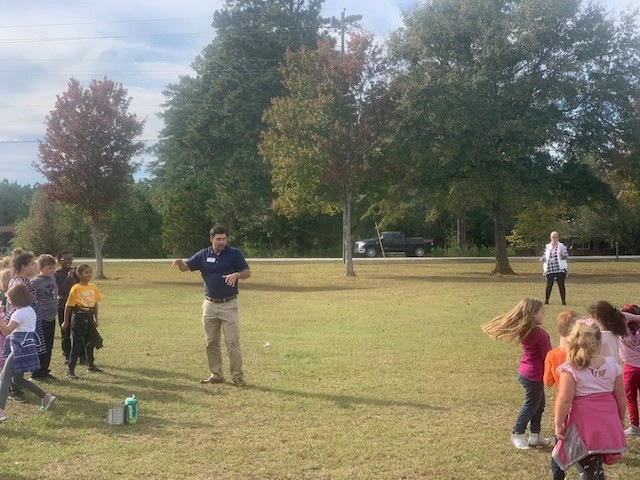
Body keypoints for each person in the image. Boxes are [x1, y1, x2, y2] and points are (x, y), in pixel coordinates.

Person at [172, 226, 251, 387]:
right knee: (211, 342)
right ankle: (216, 374)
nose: (222, 242)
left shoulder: (234, 254)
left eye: (224, 239)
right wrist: (180, 263)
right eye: (218, 239)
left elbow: (247, 272)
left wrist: (236, 274)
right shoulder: (203, 254)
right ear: (211, 239)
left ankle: (237, 376)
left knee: (232, 342)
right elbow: (186, 268)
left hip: (229, 304)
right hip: (209, 305)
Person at [552, 322, 626, 479]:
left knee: (586, 468)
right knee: (596, 468)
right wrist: (620, 419)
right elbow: (620, 396)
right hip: (608, 425)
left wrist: (558, 424)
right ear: (599, 343)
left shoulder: (571, 369)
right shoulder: (612, 365)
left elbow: (565, 400)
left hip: (584, 428)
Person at [482, 298, 552, 449]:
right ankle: (517, 433)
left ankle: (535, 436)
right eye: (542, 312)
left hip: (529, 373)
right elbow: (549, 356)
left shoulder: (527, 331)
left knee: (539, 405)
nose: (543, 315)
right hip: (533, 375)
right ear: (533, 314)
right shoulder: (539, 334)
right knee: (532, 405)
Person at [0, 283, 56, 422]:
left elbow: (6, 331)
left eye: (9, 299)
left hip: (19, 349)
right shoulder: (29, 310)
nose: (8, 301)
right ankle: (46, 397)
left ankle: (0, 410)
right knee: (17, 379)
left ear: (14, 299)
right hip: (27, 348)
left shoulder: (19, 313)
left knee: (4, 377)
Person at [2, 249, 46, 403]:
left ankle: (16, 386)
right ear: (23, 266)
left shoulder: (26, 282)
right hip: (19, 329)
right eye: (32, 264)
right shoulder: (19, 283)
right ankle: (13, 390)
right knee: (13, 362)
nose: (34, 267)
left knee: (16, 363)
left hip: (26, 325)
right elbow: (14, 308)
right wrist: (7, 323)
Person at [544, 310, 579, 480]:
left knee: (559, 447)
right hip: (581, 406)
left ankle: (558, 476)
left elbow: (548, 381)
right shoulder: (583, 354)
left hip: (561, 406)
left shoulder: (552, 355)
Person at [62, 264, 102, 379]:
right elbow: (68, 306)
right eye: (86, 273)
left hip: (89, 316)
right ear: (79, 275)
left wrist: (96, 319)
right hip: (78, 316)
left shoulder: (93, 287)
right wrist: (65, 321)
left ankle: (91, 365)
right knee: (77, 344)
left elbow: (95, 304)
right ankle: (70, 370)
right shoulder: (76, 288)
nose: (89, 275)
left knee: (90, 341)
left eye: (90, 272)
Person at [30, 254, 58, 380]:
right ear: (40, 268)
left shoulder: (52, 278)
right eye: (49, 268)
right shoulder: (35, 282)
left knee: (49, 345)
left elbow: (55, 290)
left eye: (53, 268)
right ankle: (37, 373)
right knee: (41, 346)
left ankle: (45, 370)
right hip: (41, 318)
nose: (52, 270)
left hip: (51, 317)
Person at [620, 304, 640, 437]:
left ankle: (634, 426)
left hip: (630, 370)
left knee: (631, 399)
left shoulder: (622, 333)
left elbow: (619, 316)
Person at [54, 251, 76, 363]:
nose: (69, 261)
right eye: (65, 259)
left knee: (77, 331)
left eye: (70, 259)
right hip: (63, 306)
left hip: (76, 305)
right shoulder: (56, 274)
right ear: (59, 261)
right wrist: (69, 278)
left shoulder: (75, 272)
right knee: (65, 331)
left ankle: (79, 355)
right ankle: (67, 355)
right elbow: (60, 291)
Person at [541, 231, 569, 305]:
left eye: (556, 237)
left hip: (559, 268)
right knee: (549, 285)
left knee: (561, 285)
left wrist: (562, 255)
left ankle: (563, 301)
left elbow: (566, 256)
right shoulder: (548, 246)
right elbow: (545, 255)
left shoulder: (561, 246)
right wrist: (543, 258)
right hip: (550, 268)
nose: (555, 239)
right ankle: (546, 300)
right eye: (553, 237)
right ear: (551, 238)